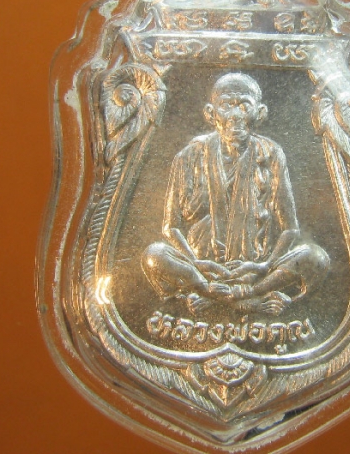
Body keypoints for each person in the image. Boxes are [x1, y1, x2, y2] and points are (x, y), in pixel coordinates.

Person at [141, 73, 330, 315]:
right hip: (202, 268)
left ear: (259, 113)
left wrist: (264, 266)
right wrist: (197, 263)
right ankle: (240, 297)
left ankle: (221, 295)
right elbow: (170, 227)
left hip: (255, 270)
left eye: (244, 106)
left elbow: (290, 229)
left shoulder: (271, 153)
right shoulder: (189, 156)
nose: (235, 116)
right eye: (226, 105)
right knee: (155, 255)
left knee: (315, 256)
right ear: (211, 113)